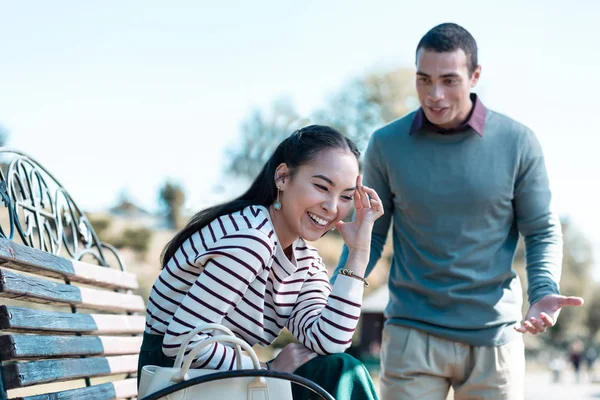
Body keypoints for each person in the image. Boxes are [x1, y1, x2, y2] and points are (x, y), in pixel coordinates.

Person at [334, 22, 584, 399]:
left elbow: (542, 230)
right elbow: (368, 236)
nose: (434, 94)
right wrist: (330, 308)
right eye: (424, 79)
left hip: (494, 340)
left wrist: (544, 289)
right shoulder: (386, 145)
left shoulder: (518, 142)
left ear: (475, 75)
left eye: (449, 80)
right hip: (410, 335)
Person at [138, 125, 383, 400]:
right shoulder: (252, 237)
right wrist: (266, 369)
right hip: (179, 383)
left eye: (347, 196)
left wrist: (359, 252)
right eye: (321, 187)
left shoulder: (304, 259)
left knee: (338, 368)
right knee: (336, 372)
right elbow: (183, 341)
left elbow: (330, 341)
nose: (332, 206)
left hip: (222, 383)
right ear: (282, 177)